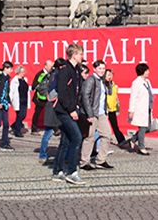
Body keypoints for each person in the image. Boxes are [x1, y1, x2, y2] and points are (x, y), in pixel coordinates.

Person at [51, 44, 86, 185]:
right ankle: (71, 172)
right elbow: (63, 92)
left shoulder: (76, 69)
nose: (82, 57)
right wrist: (71, 109)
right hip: (64, 110)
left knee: (65, 141)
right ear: (74, 55)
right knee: (76, 138)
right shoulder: (65, 70)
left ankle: (57, 171)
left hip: (70, 109)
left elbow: (75, 91)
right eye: (80, 54)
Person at [80, 59, 115, 170]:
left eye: (103, 69)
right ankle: (84, 162)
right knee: (89, 137)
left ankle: (101, 160)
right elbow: (85, 96)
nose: (102, 70)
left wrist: (109, 82)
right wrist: (89, 114)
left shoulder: (102, 80)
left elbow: (108, 94)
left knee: (107, 135)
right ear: (94, 69)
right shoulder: (91, 80)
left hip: (101, 113)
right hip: (92, 113)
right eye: (99, 68)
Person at [38, 58, 66, 164]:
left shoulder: (54, 74)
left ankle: (60, 155)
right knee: (49, 132)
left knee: (60, 132)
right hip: (53, 106)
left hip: (58, 106)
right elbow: (40, 86)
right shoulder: (54, 75)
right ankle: (43, 154)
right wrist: (49, 96)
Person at [127, 62, 154, 155]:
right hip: (140, 108)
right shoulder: (136, 82)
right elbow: (133, 97)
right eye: (147, 70)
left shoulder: (147, 81)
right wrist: (131, 110)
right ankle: (141, 147)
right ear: (142, 71)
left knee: (148, 127)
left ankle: (133, 139)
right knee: (142, 127)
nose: (148, 72)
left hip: (148, 108)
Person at [104, 69, 127, 148]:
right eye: (108, 75)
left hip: (112, 109)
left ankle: (122, 141)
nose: (110, 77)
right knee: (103, 128)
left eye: (111, 75)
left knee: (115, 126)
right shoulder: (102, 85)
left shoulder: (114, 85)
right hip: (105, 109)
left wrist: (118, 108)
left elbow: (116, 97)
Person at [30, 59, 53, 134]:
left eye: (52, 66)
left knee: (51, 112)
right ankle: (34, 129)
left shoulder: (52, 73)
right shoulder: (40, 74)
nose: (51, 68)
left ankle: (53, 128)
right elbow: (34, 86)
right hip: (39, 97)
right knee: (37, 112)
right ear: (45, 66)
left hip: (48, 97)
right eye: (50, 66)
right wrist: (42, 90)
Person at [9, 65, 29, 137]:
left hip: (24, 99)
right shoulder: (14, 81)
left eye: (24, 71)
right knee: (20, 115)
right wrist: (9, 101)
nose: (24, 73)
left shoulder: (25, 79)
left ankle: (14, 126)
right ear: (18, 72)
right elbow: (11, 91)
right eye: (22, 72)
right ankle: (17, 131)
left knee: (23, 116)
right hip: (18, 100)